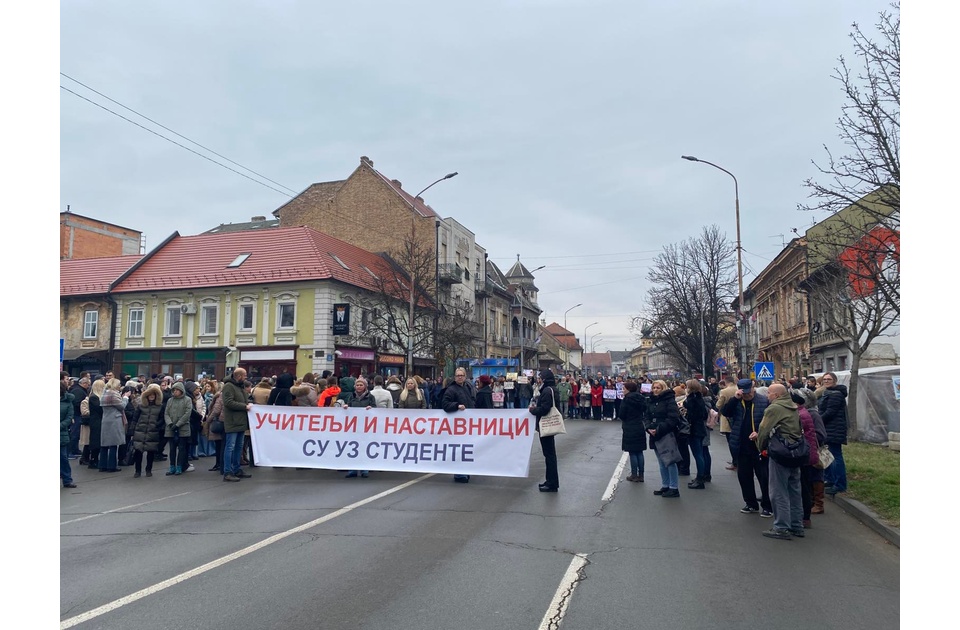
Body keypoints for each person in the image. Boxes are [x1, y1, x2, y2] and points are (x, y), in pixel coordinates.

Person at [752, 384, 804, 540]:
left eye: (769, 393)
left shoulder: (774, 409)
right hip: (795, 451)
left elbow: (764, 431)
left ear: (775, 395)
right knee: (794, 490)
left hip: (780, 452)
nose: (767, 395)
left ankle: (781, 527)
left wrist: (760, 448)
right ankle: (796, 525)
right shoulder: (792, 406)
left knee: (778, 491)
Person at [722, 378, 773, 517]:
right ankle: (750, 503)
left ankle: (768, 505)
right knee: (744, 476)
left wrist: (760, 433)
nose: (746, 394)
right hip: (741, 444)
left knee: (764, 477)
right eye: (743, 392)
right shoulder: (737, 401)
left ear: (753, 387)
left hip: (759, 445)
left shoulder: (763, 400)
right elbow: (725, 412)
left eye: (748, 391)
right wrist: (734, 399)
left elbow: (770, 421)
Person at [646, 380, 681, 497]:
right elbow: (646, 416)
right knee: (661, 462)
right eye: (654, 388)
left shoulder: (669, 400)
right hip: (654, 434)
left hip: (666, 434)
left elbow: (673, 418)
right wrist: (648, 427)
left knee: (670, 461)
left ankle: (674, 487)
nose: (655, 390)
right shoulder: (650, 400)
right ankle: (665, 485)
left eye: (658, 388)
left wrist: (659, 429)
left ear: (663, 388)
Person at [528, 369, 561, 492]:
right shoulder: (550, 389)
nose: (539, 379)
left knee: (549, 455)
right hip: (546, 425)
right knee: (549, 455)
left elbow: (545, 409)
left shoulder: (547, 391)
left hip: (546, 425)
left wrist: (533, 410)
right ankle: (550, 481)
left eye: (541, 377)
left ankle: (552, 483)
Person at [441, 368, 476, 483]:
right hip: (456, 425)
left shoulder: (467, 388)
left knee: (466, 449)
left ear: (465, 376)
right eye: (457, 375)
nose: (459, 377)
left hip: (467, 424)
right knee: (460, 449)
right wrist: (457, 406)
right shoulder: (451, 390)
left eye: (461, 375)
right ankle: (459, 474)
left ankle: (464, 471)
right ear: (454, 377)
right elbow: (445, 404)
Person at [818, 372, 849, 495]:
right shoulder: (828, 392)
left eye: (829, 379)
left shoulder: (836, 394)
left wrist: (818, 421)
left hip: (834, 429)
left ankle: (839, 484)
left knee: (836, 457)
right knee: (828, 456)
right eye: (824, 379)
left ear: (834, 381)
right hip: (829, 428)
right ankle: (830, 480)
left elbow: (830, 412)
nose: (826, 381)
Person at [221, 368, 254, 482]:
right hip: (233, 421)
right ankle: (227, 472)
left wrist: (248, 403)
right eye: (244, 375)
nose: (246, 377)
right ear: (239, 376)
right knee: (230, 447)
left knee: (239, 447)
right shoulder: (228, 386)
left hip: (241, 422)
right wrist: (244, 406)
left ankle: (236, 469)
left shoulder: (239, 386)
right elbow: (228, 402)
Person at [345, 378, 377, 478]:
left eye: (361, 385)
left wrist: (371, 409)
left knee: (364, 447)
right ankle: (353, 469)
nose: (359, 387)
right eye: (357, 385)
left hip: (366, 426)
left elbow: (375, 408)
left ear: (365, 386)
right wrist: (346, 407)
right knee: (352, 447)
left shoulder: (370, 397)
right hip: (354, 426)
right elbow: (348, 406)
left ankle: (364, 469)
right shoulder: (351, 396)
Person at [130, 383, 163, 477]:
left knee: (150, 453)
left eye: (153, 395)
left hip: (152, 432)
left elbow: (162, 419)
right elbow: (135, 418)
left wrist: (157, 425)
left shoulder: (160, 407)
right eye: (150, 395)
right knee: (138, 452)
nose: (152, 397)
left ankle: (149, 469)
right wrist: (132, 430)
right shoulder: (141, 406)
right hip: (140, 431)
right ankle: (138, 471)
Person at [683, 379, 709, 489]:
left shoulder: (691, 400)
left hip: (694, 429)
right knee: (700, 454)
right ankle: (700, 477)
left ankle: (700, 479)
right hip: (700, 428)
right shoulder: (699, 398)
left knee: (698, 454)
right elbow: (704, 415)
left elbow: (691, 415)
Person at [619, 381, 647, 483]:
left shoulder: (626, 400)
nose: (623, 390)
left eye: (624, 388)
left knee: (632, 452)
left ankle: (634, 474)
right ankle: (641, 475)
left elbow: (622, 414)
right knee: (639, 452)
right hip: (639, 425)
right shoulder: (641, 398)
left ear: (629, 389)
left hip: (629, 426)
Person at [164, 382, 193, 476]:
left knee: (181, 448)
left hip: (183, 428)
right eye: (174, 390)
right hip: (171, 428)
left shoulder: (187, 400)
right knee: (172, 449)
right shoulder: (170, 400)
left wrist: (178, 424)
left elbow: (187, 413)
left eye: (177, 390)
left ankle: (180, 466)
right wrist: (170, 423)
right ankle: (172, 466)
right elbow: (166, 413)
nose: (175, 392)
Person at [98, 378, 126, 473]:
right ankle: (112, 466)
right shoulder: (114, 394)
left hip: (105, 419)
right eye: (118, 385)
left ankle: (102, 465)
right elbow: (121, 406)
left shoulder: (104, 393)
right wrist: (125, 398)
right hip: (115, 419)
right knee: (113, 444)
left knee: (104, 444)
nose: (119, 386)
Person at [716, 375, 738, 471]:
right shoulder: (738, 388)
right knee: (738, 440)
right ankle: (737, 460)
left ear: (725, 382)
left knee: (731, 441)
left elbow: (718, 405)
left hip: (727, 417)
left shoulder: (724, 391)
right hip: (738, 416)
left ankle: (735, 462)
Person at [85, 379, 106, 469]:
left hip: (98, 421)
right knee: (95, 441)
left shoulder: (96, 397)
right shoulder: (94, 397)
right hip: (96, 421)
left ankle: (95, 459)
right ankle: (93, 460)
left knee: (98, 441)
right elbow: (100, 409)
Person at [61, 382, 77, 488]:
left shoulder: (68, 401)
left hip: (61, 432)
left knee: (63, 457)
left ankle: (67, 479)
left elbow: (69, 416)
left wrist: (61, 425)